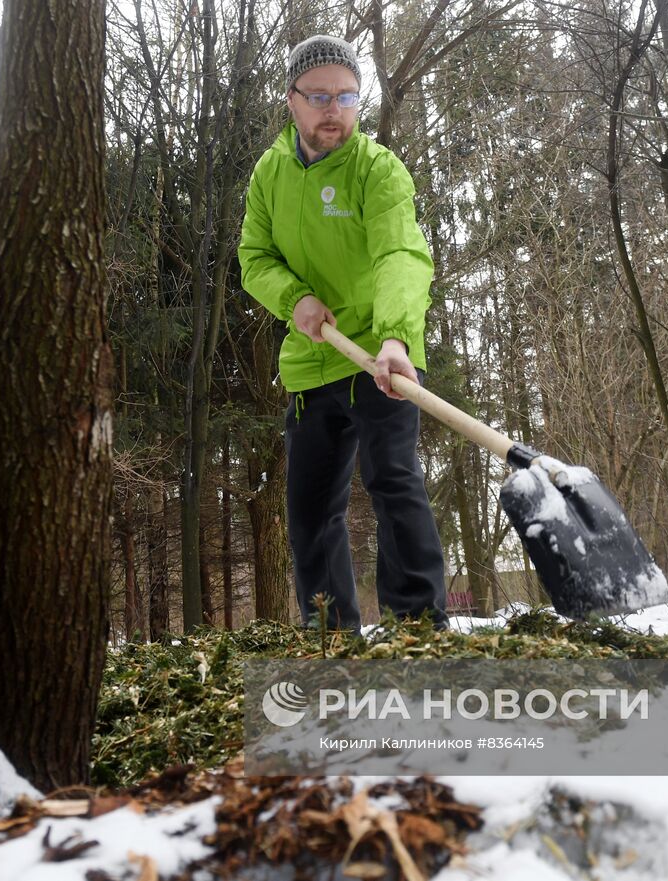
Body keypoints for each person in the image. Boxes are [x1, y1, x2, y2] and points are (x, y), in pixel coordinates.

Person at [238, 35, 447, 631]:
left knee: (394, 484)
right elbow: (254, 256)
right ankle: (332, 641)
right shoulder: (269, 175)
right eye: (321, 95)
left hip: (379, 360)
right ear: (292, 101)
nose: (335, 108)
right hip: (312, 362)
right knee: (309, 514)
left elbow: (400, 255)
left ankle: (418, 633)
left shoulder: (377, 170)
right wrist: (294, 298)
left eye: (348, 95)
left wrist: (396, 340)